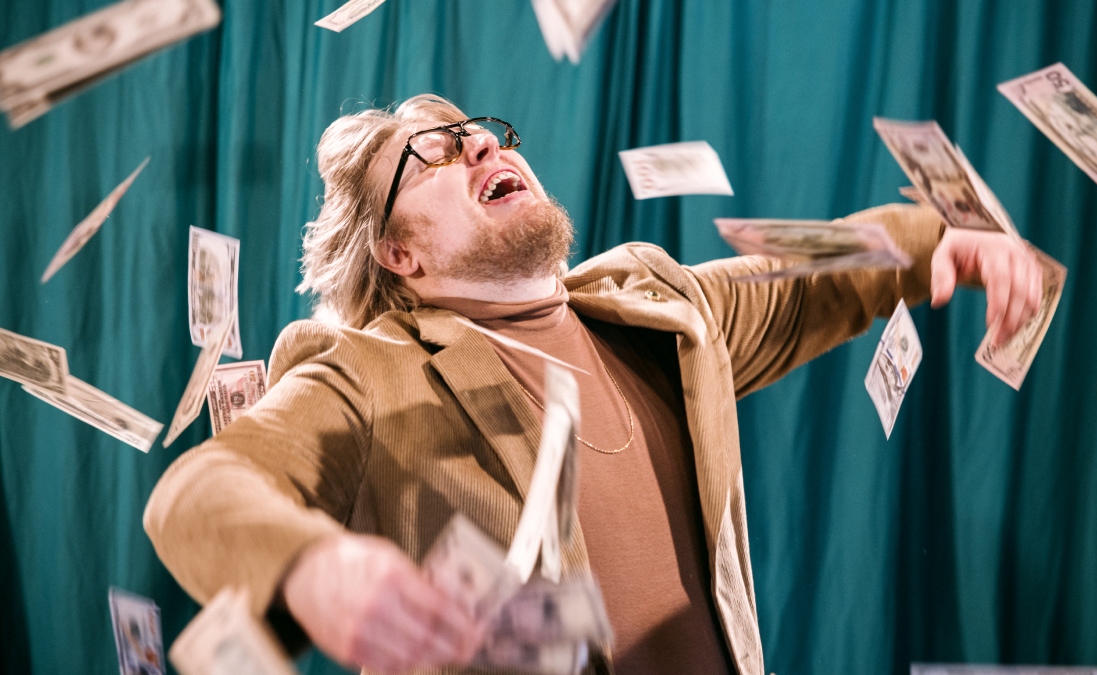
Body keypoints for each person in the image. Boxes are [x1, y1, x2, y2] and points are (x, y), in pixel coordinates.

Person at [144, 94, 1043, 675]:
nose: (479, 143)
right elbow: (195, 490)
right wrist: (313, 565)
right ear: (399, 253)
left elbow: (803, 279)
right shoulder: (365, 372)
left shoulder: (657, 301)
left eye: (481, 131)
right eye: (434, 151)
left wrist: (937, 242)